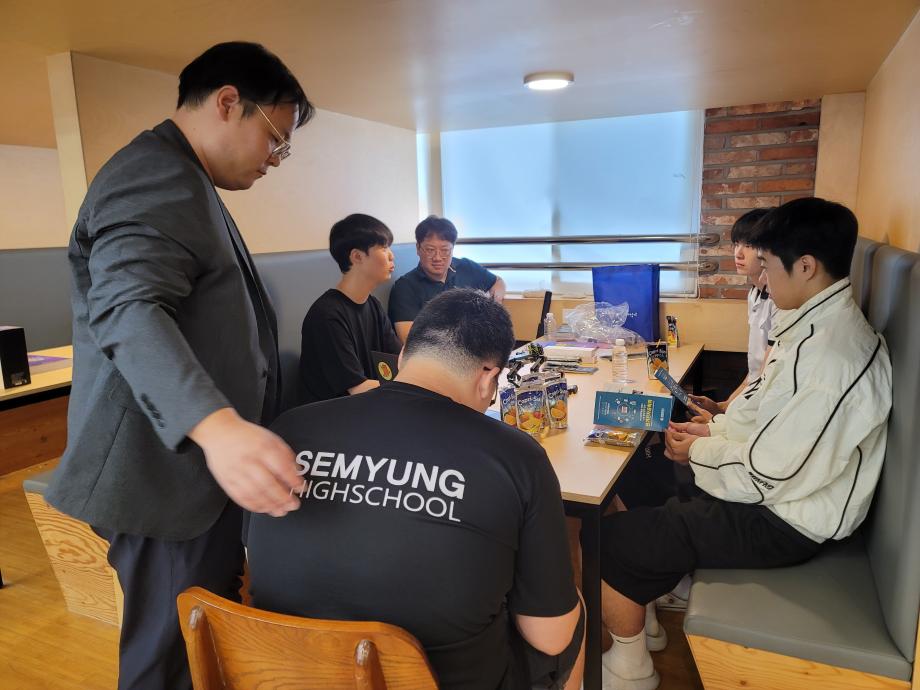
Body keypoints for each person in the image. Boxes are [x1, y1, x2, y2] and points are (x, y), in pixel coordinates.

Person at [43, 42, 311, 690]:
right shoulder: (154, 175)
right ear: (228, 102)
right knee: (166, 660)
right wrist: (219, 429)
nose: (276, 159)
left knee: (199, 644)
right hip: (164, 481)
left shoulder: (186, 180)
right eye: (275, 138)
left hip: (194, 479)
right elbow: (127, 309)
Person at [599, 197, 892, 690]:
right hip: (778, 492)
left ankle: (630, 670)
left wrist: (698, 452)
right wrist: (709, 432)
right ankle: (648, 602)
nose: (764, 279)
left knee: (609, 539)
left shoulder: (832, 358)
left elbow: (769, 474)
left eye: (769, 265)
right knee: (640, 470)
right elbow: (761, 417)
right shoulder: (810, 329)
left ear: (806, 266)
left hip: (787, 521)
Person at [249, 289, 585, 690]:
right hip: (440, 680)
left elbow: (256, 555)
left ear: (404, 355)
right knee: (570, 610)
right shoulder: (517, 455)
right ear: (488, 378)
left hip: (279, 673)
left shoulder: (289, 426)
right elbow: (550, 637)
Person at [298, 213, 402, 403]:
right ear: (357, 256)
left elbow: (399, 360)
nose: (391, 255)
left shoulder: (373, 305)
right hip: (333, 412)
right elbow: (358, 388)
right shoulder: (326, 315)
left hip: (368, 406)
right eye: (383, 247)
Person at [689, 207, 777, 418]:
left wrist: (723, 419)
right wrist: (723, 406)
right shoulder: (754, 293)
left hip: (764, 404)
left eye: (749, 245)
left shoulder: (779, 303)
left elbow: (766, 377)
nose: (738, 253)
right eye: (737, 244)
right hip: (751, 397)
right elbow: (753, 373)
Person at [388, 215, 507, 342]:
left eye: (445, 250)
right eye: (430, 250)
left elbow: (498, 282)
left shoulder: (466, 266)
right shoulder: (404, 287)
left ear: (453, 248)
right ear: (418, 248)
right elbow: (409, 341)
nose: (437, 258)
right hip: (438, 351)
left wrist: (494, 303)